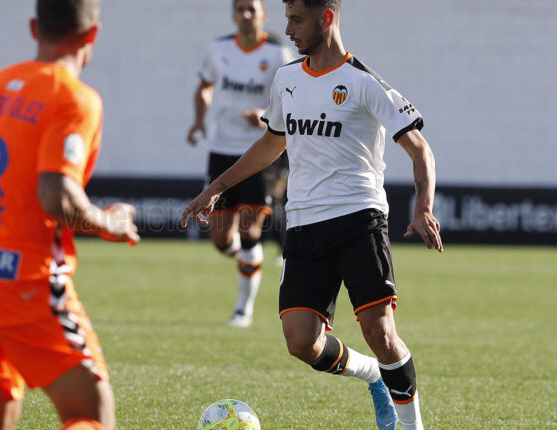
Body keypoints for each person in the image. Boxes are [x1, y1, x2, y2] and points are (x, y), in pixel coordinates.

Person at [182, 0, 443, 428]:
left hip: (359, 218)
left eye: (296, 20)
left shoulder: (363, 82)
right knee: (301, 341)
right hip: (303, 223)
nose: (287, 30)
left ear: (327, 18)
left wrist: (423, 208)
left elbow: (419, 148)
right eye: (286, 19)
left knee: (380, 332)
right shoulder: (286, 79)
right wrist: (215, 188)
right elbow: (272, 143)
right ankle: (373, 375)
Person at [0, 0, 139, 428]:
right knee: (91, 415)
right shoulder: (75, 98)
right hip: (25, 277)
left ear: (35, 27)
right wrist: (110, 222)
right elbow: (57, 196)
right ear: (92, 35)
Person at [186, 0, 296, 328]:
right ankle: (250, 261)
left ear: (263, 14)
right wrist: (198, 120)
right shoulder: (218, 49)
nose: (246, 15)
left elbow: (292, 101)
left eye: (252, 9)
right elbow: (204, 87)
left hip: (260, 152)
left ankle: (242, 310)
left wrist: (265, 118)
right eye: (241, 9)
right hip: (221, 150)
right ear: (234, 15)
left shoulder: (279, 55)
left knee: (250, 229)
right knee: (221, 239)